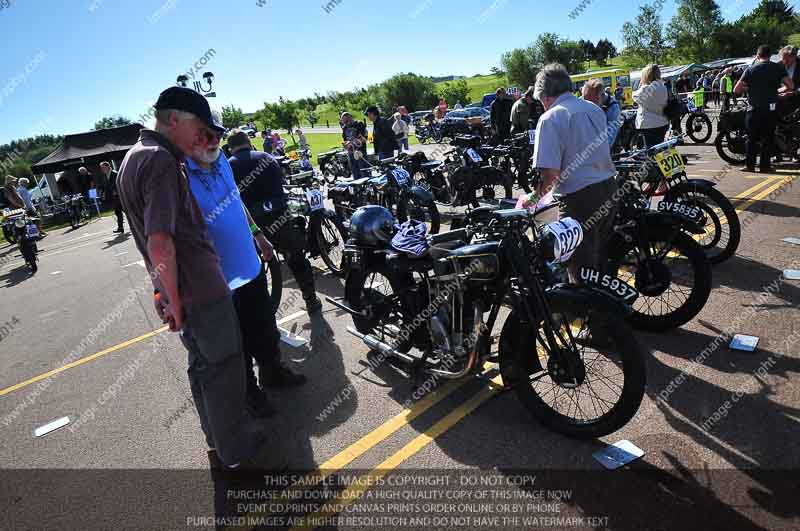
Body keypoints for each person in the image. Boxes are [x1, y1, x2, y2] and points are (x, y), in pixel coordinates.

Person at [116, 86, 265, 469]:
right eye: (199, 126)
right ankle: (238, 454)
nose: (204, 136)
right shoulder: (161, 161)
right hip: (200, 288)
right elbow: (160, 239)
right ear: (173, 119)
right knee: (225, 370)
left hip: (182, 288)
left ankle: (218, 444)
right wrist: (176, 301)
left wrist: (164, 293)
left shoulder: (133, 159)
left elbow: (148, 239)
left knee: (202, 368)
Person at [185, 128, 306, 418]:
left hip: (248, 263)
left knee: (263, 323)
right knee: (236, 337)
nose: (214, 140)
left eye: (217, 135)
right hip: (219, 274)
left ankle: (272, 372)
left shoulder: (221, 160)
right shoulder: (180, 172)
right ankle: (251, 394)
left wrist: (258, 235)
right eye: (207, 135)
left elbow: (236, 200)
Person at [529, 64, 619, 284]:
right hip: (609, 187)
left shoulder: (550, 118)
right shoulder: (594, 109)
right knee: (599, 258)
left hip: (580, 199)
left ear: (546, 96)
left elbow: (550, 175)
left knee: (579, 267)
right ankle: (606, 305)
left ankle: (589, 315)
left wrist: (533, 200)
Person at [227, 130, 323, 314]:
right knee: (297, 259)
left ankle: (263, 310)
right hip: (280, 217)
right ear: (248, 141)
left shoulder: (229, 167)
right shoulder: (267, 158)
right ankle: (311, 299)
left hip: (253, 225)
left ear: (231, 148)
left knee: (256, 270)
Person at [734, 45, 794, 172]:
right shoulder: (777, 68)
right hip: (770, 109)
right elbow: (790, 85)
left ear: (758, 55)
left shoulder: (750, 70)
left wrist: (751, 89)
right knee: (768, 138)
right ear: (770, 55)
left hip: (753, 109)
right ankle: (765, 166)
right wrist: (776, 91)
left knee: (751, 139)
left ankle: (749, 166)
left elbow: (737, 89)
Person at [633, 64, 669, 148]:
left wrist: (641, 84)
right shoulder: (662, 86)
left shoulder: (646, 88)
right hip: (663, 121)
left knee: (651, 152)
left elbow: (635, 97)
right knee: (660, 148)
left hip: (649, 124)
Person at [582, 78, 622, 149]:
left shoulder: (613, 109)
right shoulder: (586, 98)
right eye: (585, 100)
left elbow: (608, 139)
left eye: (591, 102)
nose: (587, 105)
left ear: (602, 96)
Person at [340, 111, 368, 178]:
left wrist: (353, 142)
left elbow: (362, 138)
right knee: (354, 171)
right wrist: (346, 144)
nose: (345, 123)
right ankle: (358, 187)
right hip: (351, 152)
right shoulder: (345, 128)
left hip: (360, 152)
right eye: (343, 121)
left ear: (350, 118)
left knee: (363, 171)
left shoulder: (359, 124)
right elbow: (345, 140)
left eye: (346, 121)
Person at [100, 161, 124, 233]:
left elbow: (119, 183)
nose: (102, 169)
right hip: (113, 197)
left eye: (103, 167)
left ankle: (137, 223)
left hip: (119, 196)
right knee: (118, 212)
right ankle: (120, 228)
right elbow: (104, 186)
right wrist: (102, 192)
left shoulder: (115, 173)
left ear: (108, 166)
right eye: (101, 168)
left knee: (125, 211)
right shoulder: (105, 175)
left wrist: (116, 191)